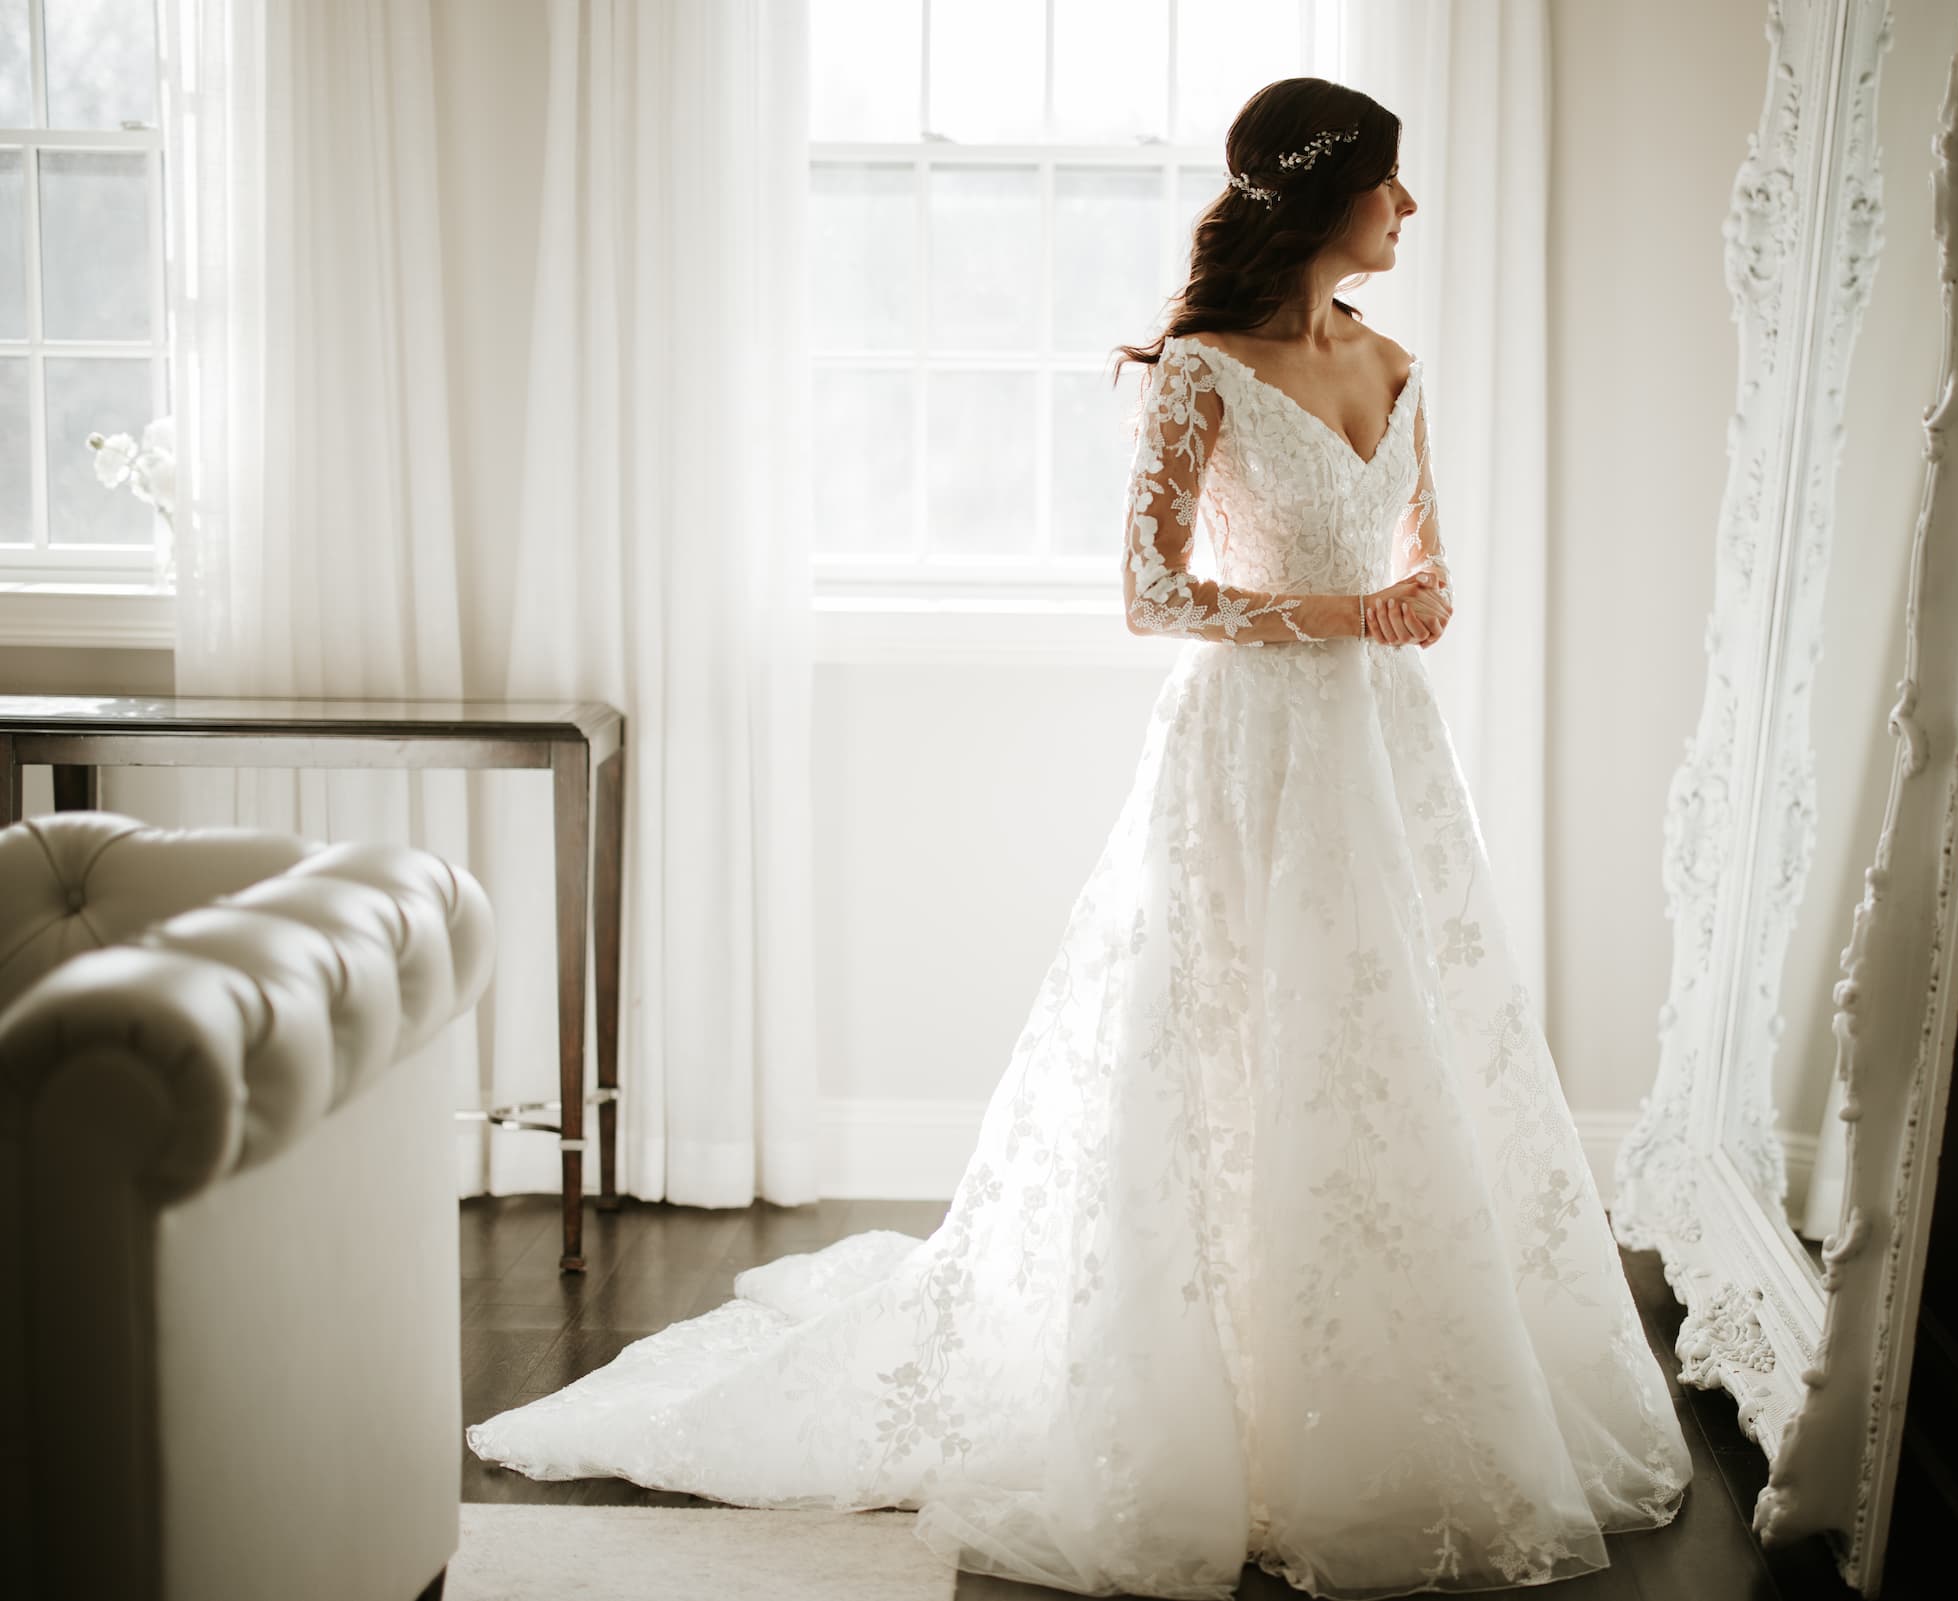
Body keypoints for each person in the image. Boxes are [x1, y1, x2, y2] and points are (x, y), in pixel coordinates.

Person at [468, 75, 1693, 1600]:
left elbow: (1423, 567)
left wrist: (1416, 600)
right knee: (1225, 1043)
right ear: (1328, 198)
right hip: (1246, 749)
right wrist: (1343, 611)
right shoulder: (1202, 371)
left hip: (1382, 753)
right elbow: (1155, 594)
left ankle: (1369, 1388)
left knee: (1388, 1041)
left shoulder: (1394, 363)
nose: (1412, 208)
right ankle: (1208, 1400)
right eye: (1394, 182)